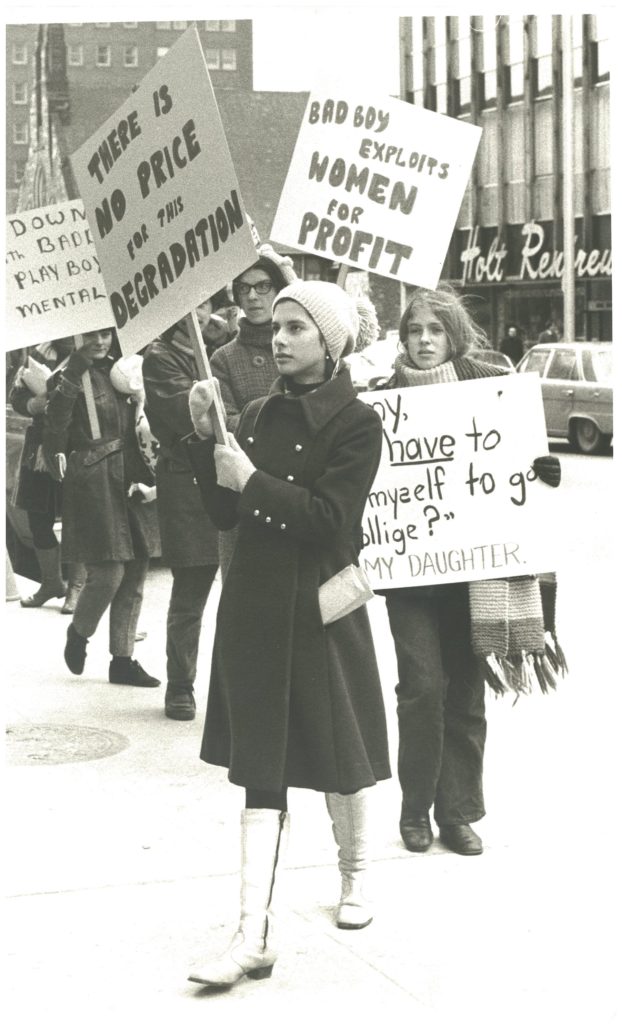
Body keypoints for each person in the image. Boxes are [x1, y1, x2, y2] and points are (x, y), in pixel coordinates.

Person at [183, 280, 391, 990]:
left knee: (341, 749)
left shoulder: (359, 423)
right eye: (276, 327)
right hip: (255, 608)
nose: (279, 339)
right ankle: (253, 935)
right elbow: (222, 510)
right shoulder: (261, 412)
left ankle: (355, 874)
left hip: (319, 610)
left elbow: (332, 520)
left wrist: (251, 479)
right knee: (261, 770)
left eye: (297, 327)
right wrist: (202, 434)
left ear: (329, 342)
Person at [375, 284, 562, 858]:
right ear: (402, 338)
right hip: (410, 573)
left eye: (435, 331)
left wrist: (542, 467)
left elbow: (518, 462)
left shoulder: (490, 388)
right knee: (422, 688)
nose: (424, 341)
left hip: (474, 575)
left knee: (464, 692)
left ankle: (457, 812)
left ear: (454, 336)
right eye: (414, 331)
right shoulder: (382, 401)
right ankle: (415, 807)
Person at [44, 328, 161, 687]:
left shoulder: (124, 369)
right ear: (74, 337)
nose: (99, 342)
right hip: (94, 480)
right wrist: (71, 374)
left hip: (132, 474)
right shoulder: (64, 377)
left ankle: (122, 661)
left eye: (106, 335)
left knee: (137, 568)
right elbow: (55, 428)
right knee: (109, 572)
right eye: (90, 336)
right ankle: (79, 633)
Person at [142, 307, 222, 721]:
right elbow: (184, 415)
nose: (200, 313)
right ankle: (181, 685)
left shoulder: (221, 342)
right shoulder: (159, 358)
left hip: (232, 475)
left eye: (206, 303)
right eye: (191, 305)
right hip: (188, 481)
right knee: (191, 591)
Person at [9, 337, 86, 613]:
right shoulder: (40, 353)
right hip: (40, 445)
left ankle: (77, 588)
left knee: (78, 517)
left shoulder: (92, 352)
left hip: (76, 442)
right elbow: (16, 396)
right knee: (37, 516)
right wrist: (36, 403)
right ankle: (52, 582)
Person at [209, 245, 296, 431]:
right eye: (244, 288)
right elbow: (225, 425)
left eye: (263, 286)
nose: (252, 296)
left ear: (280, 290)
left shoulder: (303, 346)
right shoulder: (223, 359)